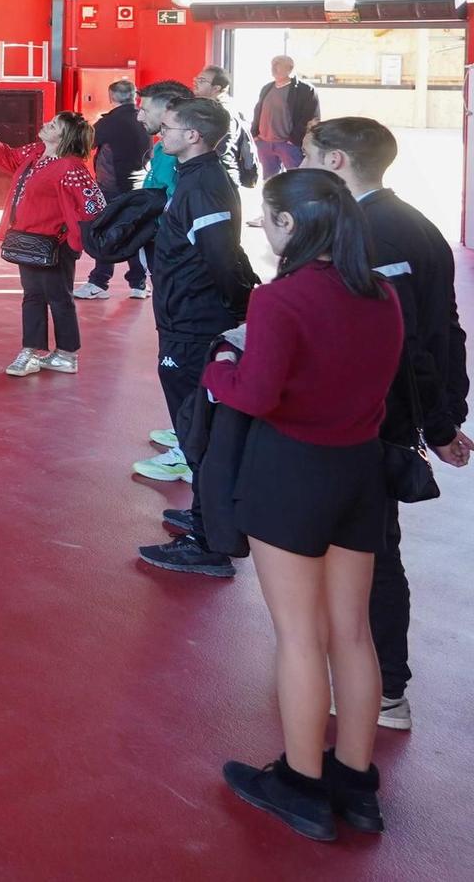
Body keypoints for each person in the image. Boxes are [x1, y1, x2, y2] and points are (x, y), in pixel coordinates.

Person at [208, 168, 403, 843]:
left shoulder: (280, 300)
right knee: (351, 631)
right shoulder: (379, 291)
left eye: (267, 216)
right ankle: (355, 779)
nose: (262, 226)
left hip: (292, 471)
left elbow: (257, 393)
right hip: (358, 470)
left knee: (299, 634)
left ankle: (299, 781)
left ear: (291, 225)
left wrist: (216, 370)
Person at [304, 117, 473, 733]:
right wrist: (445, 412)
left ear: (339, 162)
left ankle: (383, 690)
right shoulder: (410, 224)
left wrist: (437, 421)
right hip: (382, 415)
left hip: (372, 420)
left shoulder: (373, 234)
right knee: (360, 550)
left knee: (368, 554)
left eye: (310, 155)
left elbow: (415, 342)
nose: (302, 166)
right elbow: (444, 330)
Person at [136, 96, 260, 574]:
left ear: (193, 136)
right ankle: (204, 516)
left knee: (196, 429)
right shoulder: (191, 178)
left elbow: (222, 259)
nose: (159, 133)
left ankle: (210, 543)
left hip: (195, 324)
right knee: (192, 427)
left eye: (167, 127)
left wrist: (230, 313)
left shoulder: (205, 184)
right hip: (181, 317)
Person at [0, 111, 105, 376]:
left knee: (59, 298)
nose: (46, 125)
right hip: (29, 240)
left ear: (64, 136)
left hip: (55, 243)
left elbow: (93, 205)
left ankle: (66, 355)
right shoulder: (36, 153)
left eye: (53, 125)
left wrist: (76, 240)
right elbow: (11, 158)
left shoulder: (71, 167)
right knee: (33, 296)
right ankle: (32, 351)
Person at [76, 79, 152, 301]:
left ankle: (99, 282)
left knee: (105, 232)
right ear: (134, 95)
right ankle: (138, 283)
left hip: (112, 185)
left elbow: (85, 144)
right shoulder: (142, 117)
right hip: (139, 182)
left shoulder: (109, 122)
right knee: (134, 233)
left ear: (111, 97)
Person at [253, 55, 320, 179]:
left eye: (278, 64)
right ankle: (272, 199)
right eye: (272, 63)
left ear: (290, 68)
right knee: (269, 182)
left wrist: (293, 140)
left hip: (289, 145)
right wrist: (256, 136)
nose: (273, 67)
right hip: (265, 144)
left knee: (296, 180)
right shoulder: (267, 88)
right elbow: (258, 111)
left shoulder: (305, 90)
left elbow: (309, 118)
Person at [194, 64, 260, 190]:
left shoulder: (223, 111)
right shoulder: (212, 107)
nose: (196, 83)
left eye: (202, 81)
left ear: (216, 88)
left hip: (220, 176)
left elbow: (221, 147)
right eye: (196, 79)